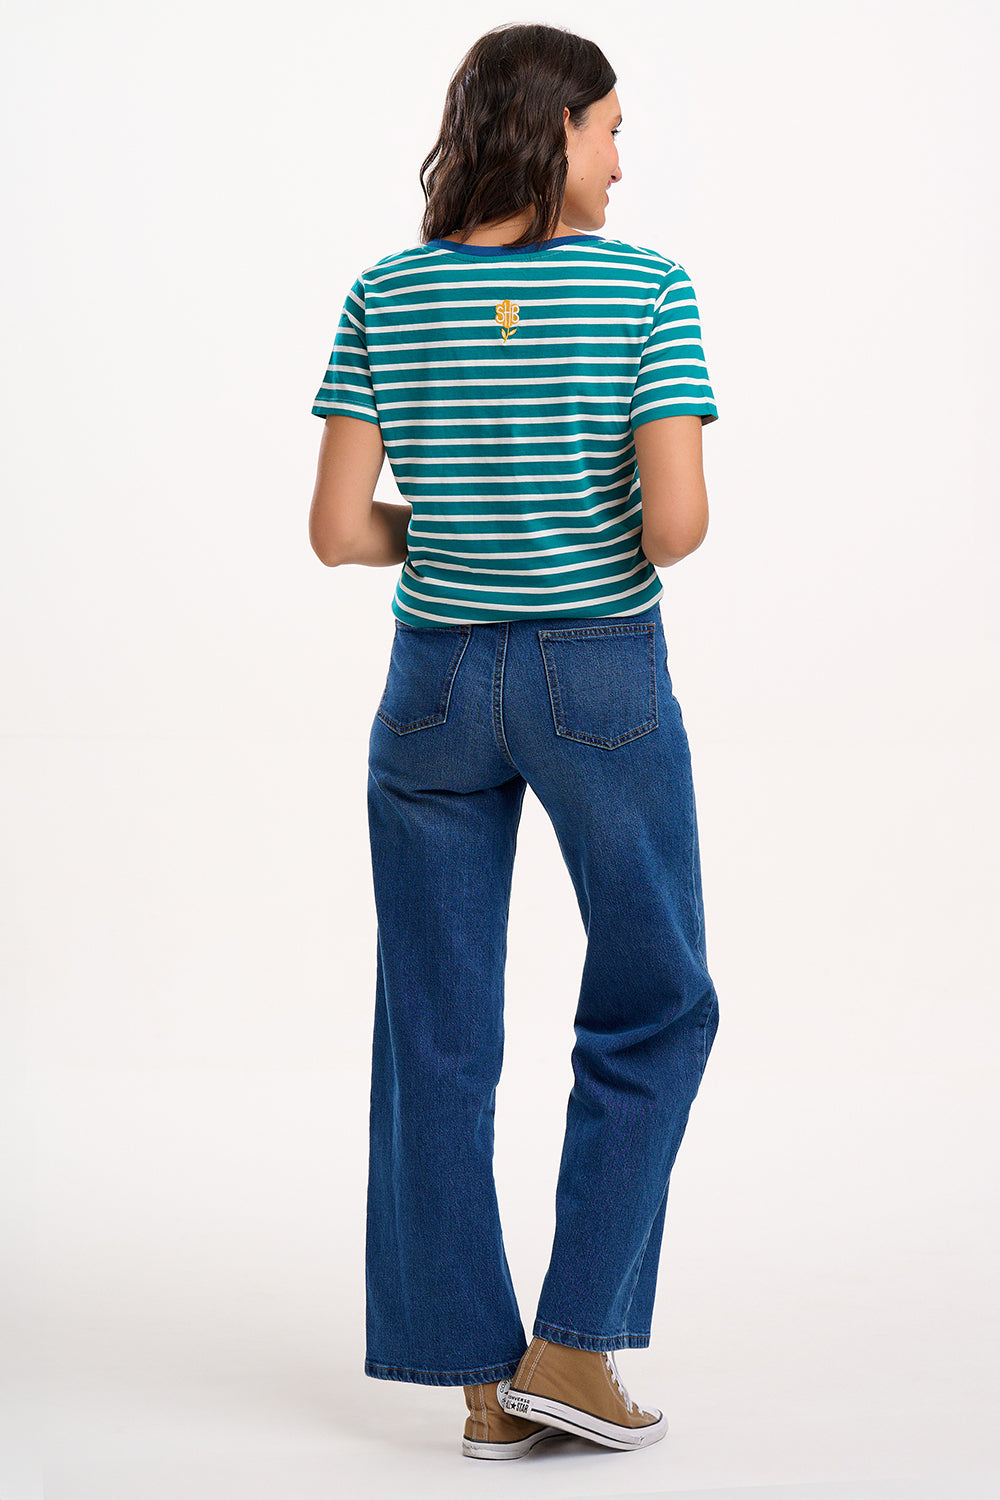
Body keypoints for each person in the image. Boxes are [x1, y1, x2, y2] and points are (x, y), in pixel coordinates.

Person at [308, 21, 721, 1463]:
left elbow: (338, 530)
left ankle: (482, 1381)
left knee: (434, 1030)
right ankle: (575, 1348)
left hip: (431, 685)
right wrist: (567, 525)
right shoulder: (645, 289)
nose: (620, 161)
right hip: (596, 677)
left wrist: (461, 531)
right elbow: (675, 526)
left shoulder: (387, 291)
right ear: (554, 135)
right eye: (609, 131)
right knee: (658, 1000)